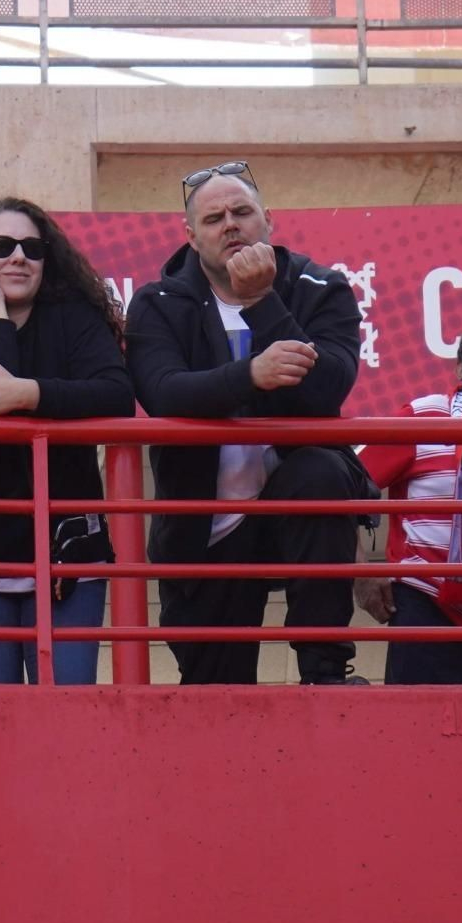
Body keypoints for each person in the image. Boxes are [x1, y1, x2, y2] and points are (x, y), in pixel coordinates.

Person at [124, 161, 372, 685]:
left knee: (320, 471)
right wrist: (251, 374)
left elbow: (328, 389)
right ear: (191, 237)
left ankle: (324, 673)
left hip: (299, 503)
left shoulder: (320, 286)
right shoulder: (157, 301)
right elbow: (163, 392)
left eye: (242, 212)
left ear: (269, 220)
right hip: (205, 525)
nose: (231, 225)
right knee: (214, 695)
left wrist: (262, 302)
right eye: (214, 219)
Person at [0, 198, 133, 684]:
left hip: (67, 549)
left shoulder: (75, 315)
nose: (19, 257)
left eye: (33, 248)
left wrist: (28, 393)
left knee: (66, 710)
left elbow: (117, 394)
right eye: (1, 246)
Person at [356, 312, 462, 684]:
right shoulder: (425, 416)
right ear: (460, 370)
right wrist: (361, 572)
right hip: (430, 614)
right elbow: (341, 489)